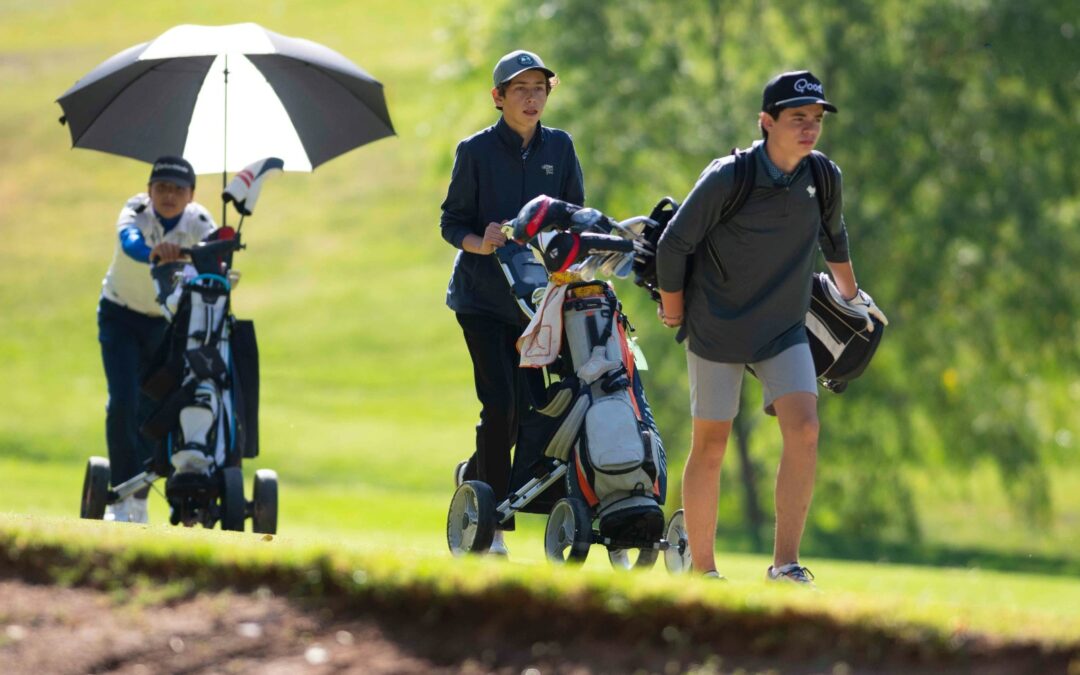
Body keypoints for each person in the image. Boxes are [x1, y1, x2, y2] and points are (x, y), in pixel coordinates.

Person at [655, 71, 887, 584]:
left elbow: (835, 239)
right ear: (766, 122)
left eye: (817, 119)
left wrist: (854, 299)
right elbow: (673, 245)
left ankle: (785, 564)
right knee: (711, 445)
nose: (809, 128)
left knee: (804, 429)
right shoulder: (729, 177)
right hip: (717, 327)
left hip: (784, 327)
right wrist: (674, 310)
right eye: (797, 118)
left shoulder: (823, 177)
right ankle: (704, 571)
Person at [440, 50, 585, 556]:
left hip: (538, 306)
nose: (531, 97)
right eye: (520, 89)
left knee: (532, 411)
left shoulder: (560, 148)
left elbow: (575, 219)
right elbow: (450, 222)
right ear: (498, 97)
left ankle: (476, 476)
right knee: (499, 406)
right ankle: (494, 524)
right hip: (481, 301)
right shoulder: (475, 151)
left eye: (540, 88)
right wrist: (481, 241)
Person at [97, 156, 216, 523]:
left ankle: (141, 497)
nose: (169, 195)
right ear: (150, 191)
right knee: (123, 401)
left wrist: (208, 256)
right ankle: (121, 496)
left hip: (166, 326)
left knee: (154, 410)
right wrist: (158, 252)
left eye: (178, 189)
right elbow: (130, 241)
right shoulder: (136, 210)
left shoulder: (198, 220)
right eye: (161, 187)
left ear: (191, 194)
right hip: (120, 316)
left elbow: (217, 252)